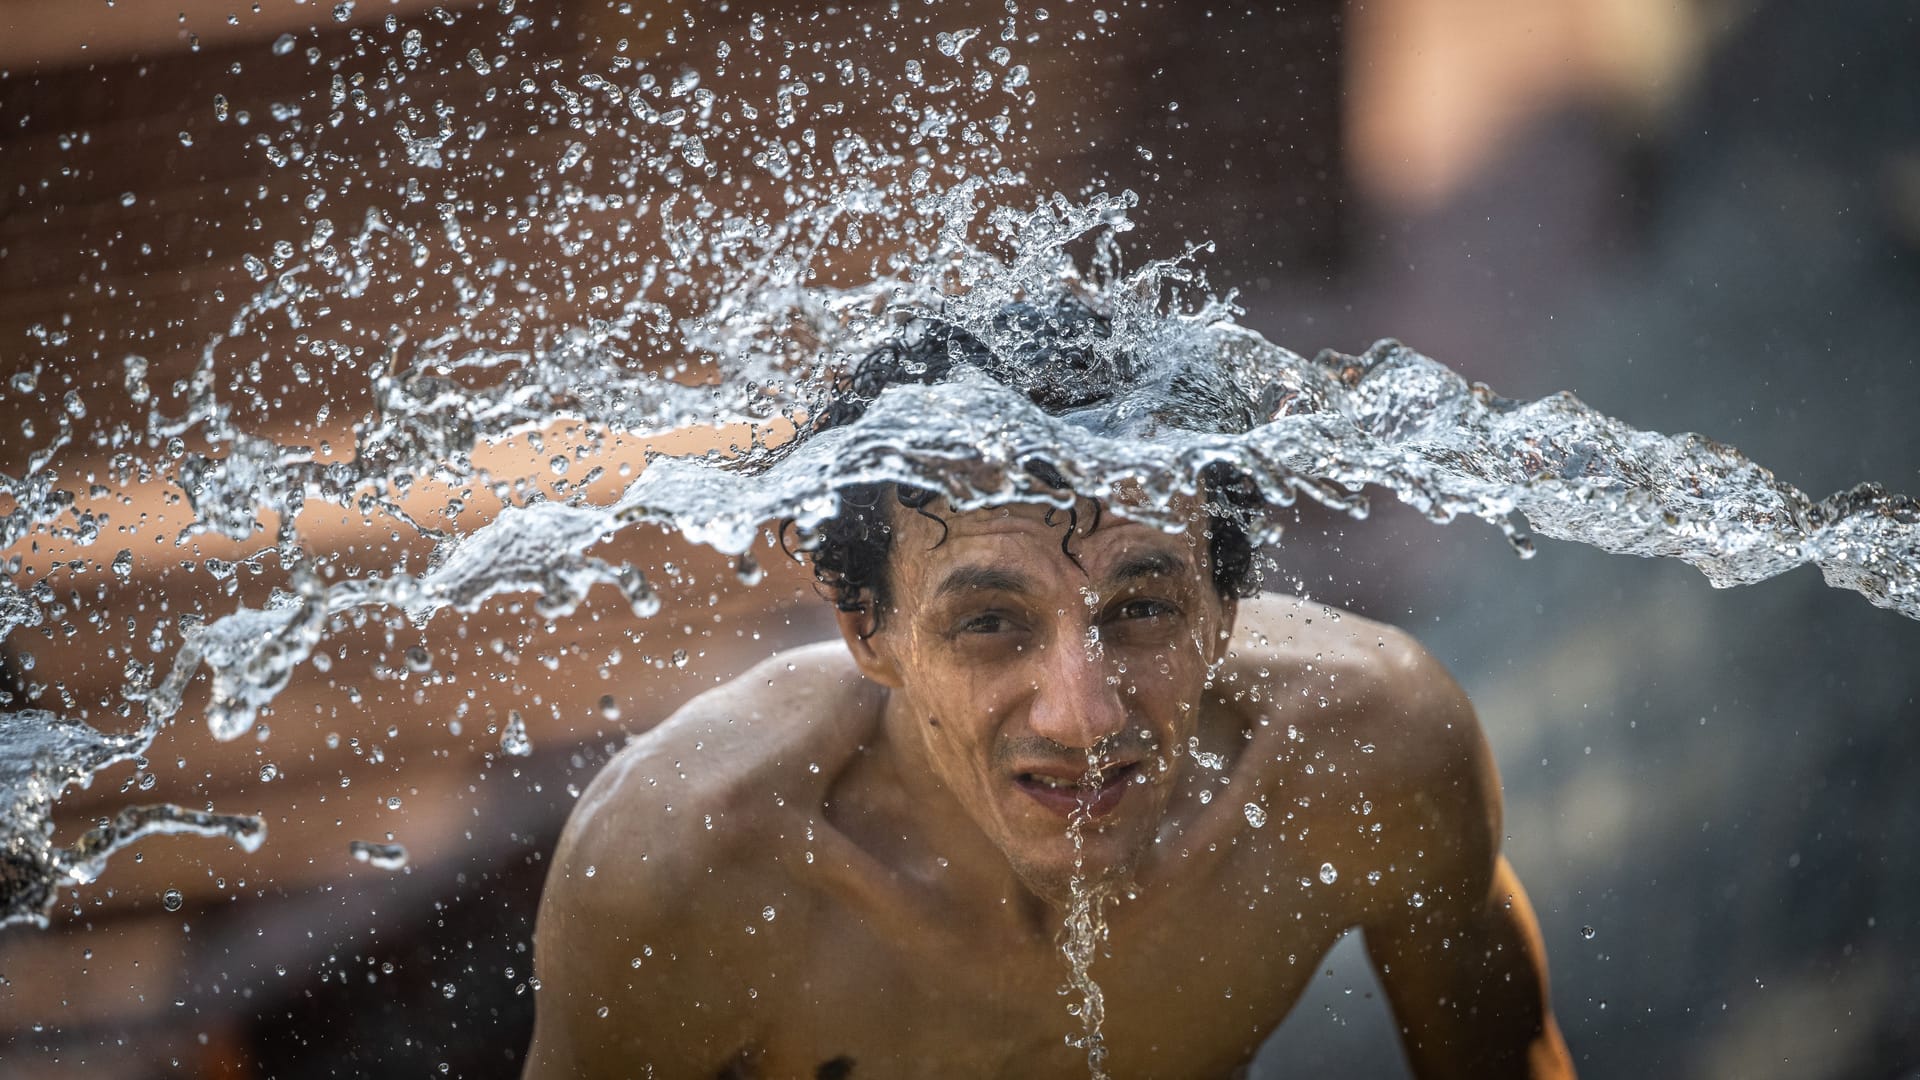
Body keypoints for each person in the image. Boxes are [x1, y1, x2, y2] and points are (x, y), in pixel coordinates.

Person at [524, 303, 1575, 1078]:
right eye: (990, 624)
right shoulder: (692, 867)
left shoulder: (1365, 755)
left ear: (1222, 608)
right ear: (868, 633)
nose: (1085, 716)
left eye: (1145, 608)